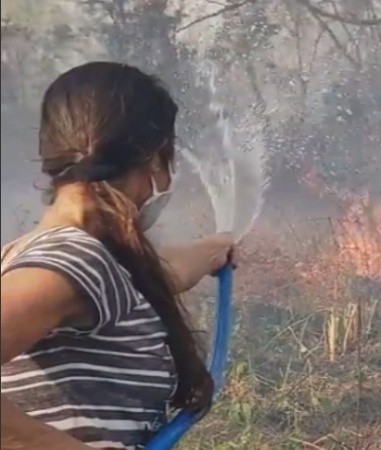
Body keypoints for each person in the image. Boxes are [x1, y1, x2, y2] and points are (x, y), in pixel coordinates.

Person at [1, 62, 238, 450]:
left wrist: (214, 249)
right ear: (151, 156)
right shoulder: (75, 260)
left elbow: (151, 282)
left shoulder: (71, 261)